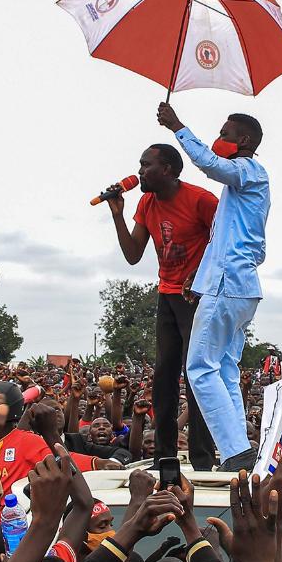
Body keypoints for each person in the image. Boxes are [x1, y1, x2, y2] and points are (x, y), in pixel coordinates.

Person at [156, 101, 269, 473]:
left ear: (245, 140)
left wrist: (178, 127)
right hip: (236, 286)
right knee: (224, 370)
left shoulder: (248, 170)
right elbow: (222, 242)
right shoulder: (242, 188)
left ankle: (235, 451)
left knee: (200, 369)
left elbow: (210, 165)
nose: (219, 139)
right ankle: (239, 451)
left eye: (225, 134)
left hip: (229, 284)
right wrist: (198, 278)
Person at [102, 143, 219, 470]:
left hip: (196, 296)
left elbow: (224, 242)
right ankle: (164, 456)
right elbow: (133, 254)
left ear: (167, 169)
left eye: (146, 165)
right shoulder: (146, 202)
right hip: (168, 294)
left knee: (195, 375)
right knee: (164, 378)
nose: (139, 172)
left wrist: (200, 274)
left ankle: (202, 459)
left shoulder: (201, 200)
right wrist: (117, 214)